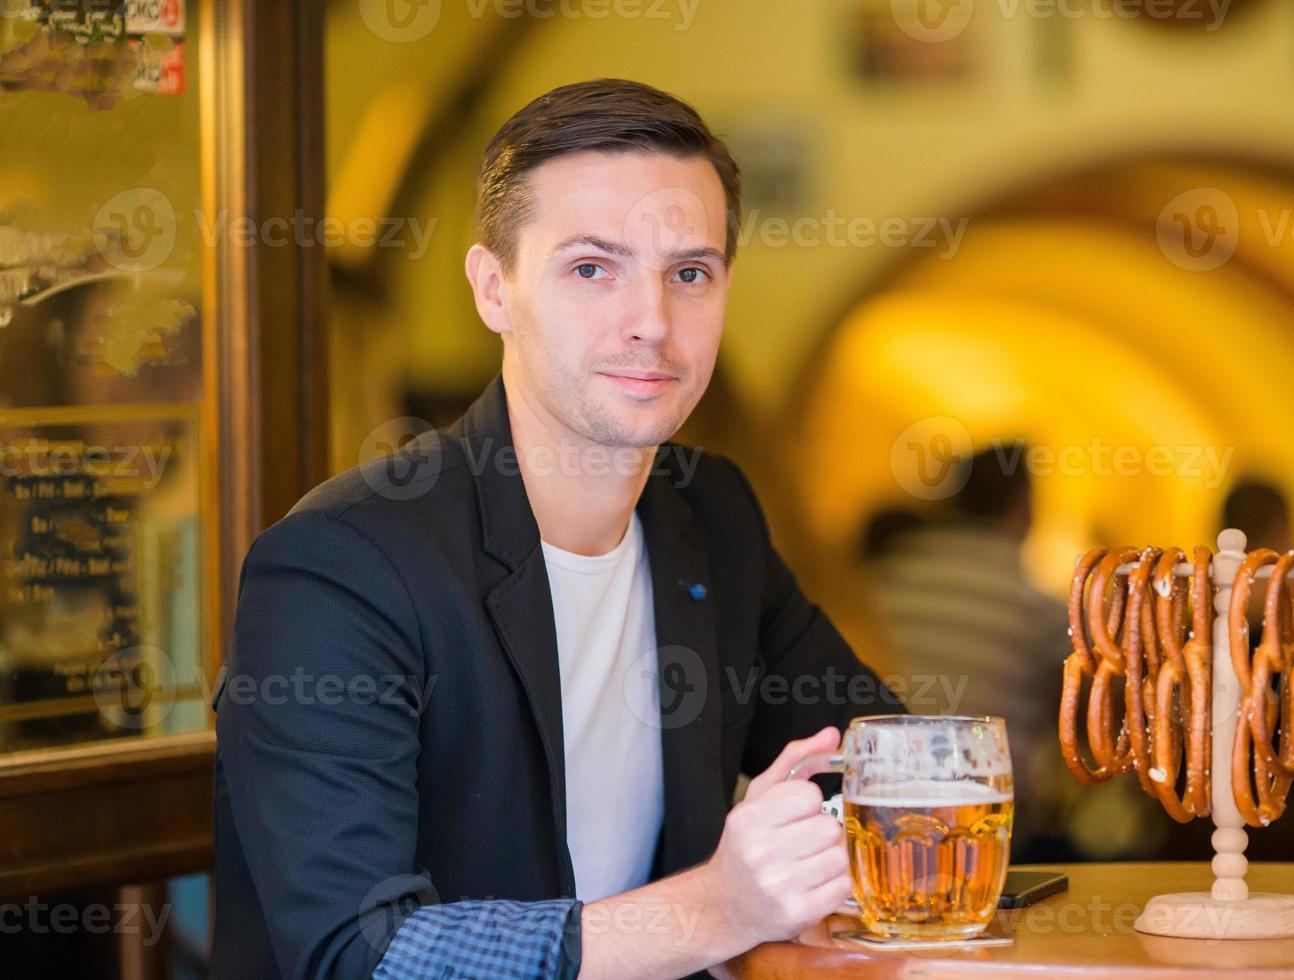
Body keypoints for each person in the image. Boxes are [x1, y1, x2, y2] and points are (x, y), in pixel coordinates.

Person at [210, 79, 902, 980]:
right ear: (493, 289)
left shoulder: (711, 515)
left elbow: (884, 765)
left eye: (689, 273)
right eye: (591, 269)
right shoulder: (341, 567)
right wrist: (718, 908)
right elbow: (361, 953)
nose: (652, 322)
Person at [863, 442, 1070, 861]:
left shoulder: (883, 577)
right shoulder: (1037, 610)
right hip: (984, 830)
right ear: (1023, 509)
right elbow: (1078, 719)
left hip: (876, 809)